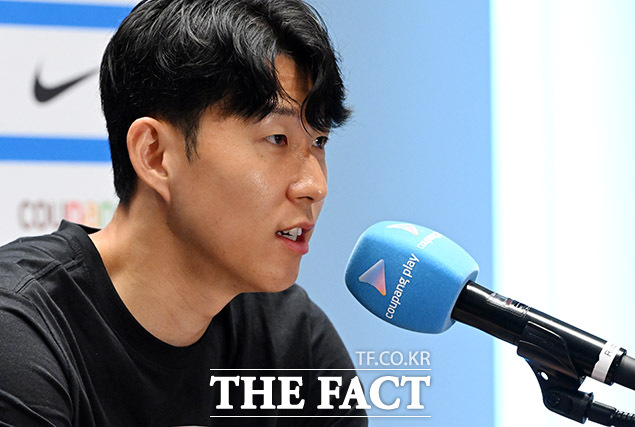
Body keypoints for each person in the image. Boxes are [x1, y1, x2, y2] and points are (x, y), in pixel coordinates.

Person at [0, 0, 367, 425]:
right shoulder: (20, 331)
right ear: (154, 155)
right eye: (277, 139)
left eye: (319, 142)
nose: (315, 186)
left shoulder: (294, 342)